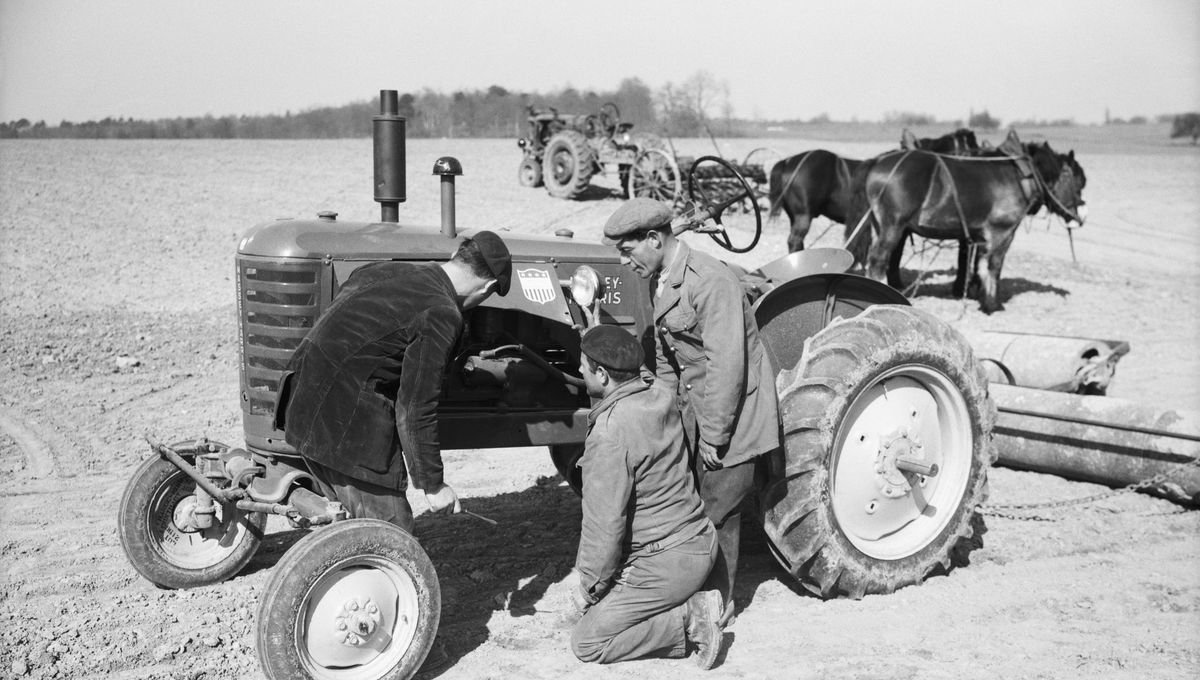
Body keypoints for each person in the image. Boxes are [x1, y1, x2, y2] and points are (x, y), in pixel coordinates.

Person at [602, 198, 780, 625]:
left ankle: (718, 603)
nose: (625, 263)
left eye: (628, 252)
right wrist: (662, 418)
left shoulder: (710, 281)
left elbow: (727, 367)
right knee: (691, 499)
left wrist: (715, 437)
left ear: (653, 239)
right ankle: (687, 586)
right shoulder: (660, 279)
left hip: (734, 411)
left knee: (719, 506)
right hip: (696, 404)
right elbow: (667, 359)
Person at [281, 231, 512, 532]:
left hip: (301, 403)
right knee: (391, 535)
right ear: (489, 287)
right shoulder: (441, 313)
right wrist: (433, 484)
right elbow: (415, 406)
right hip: (347, 429)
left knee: (346, 530)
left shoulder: (387, 269)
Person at [569, 324, 723, 669]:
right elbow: (640, 370)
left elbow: (604, 525)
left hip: (668, 563)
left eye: (584, 364)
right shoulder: (660, 393)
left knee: (587, 641)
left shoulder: (610, 433)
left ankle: (691, 617)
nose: (579, 370)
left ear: (604, 375)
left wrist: (589, 589)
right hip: (699, 541)